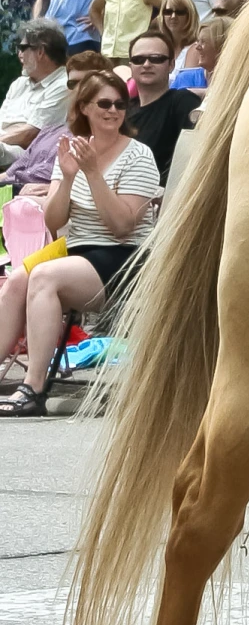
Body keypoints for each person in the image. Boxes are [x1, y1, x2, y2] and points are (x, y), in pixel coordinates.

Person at [0, 68, 160, 416]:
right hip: (78, 250)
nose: (114, 110)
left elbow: (122, 227)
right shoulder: (72, 151)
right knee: (17, 281)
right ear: (84, 107)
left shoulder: (139, 156)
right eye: (104, 103)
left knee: (44, 278)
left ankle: (35, 387)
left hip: (124, 256)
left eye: (121, 104)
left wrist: (92, 174)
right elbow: (54, 221)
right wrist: (69, 177)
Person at [126, 31, 203, 185]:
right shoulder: (122, 110)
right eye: (139, 59)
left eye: (156, 59)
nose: (146, 64)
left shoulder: (182, 102)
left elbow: (197, 157)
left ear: (171, 65)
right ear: (131, 66)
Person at [0, 21, 69, 168]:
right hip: (6, 144)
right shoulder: (19, 83)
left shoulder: (64, 85)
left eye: (23, 48)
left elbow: (31, 134)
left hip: (29, 154)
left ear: (40, 51)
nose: (19, 55)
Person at [158, 0, 202, 77]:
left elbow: (187, 86)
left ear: (190, 16)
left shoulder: (196, 49)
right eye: (168, 12)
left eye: (180, 12)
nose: (173, 16)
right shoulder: (159, 47)